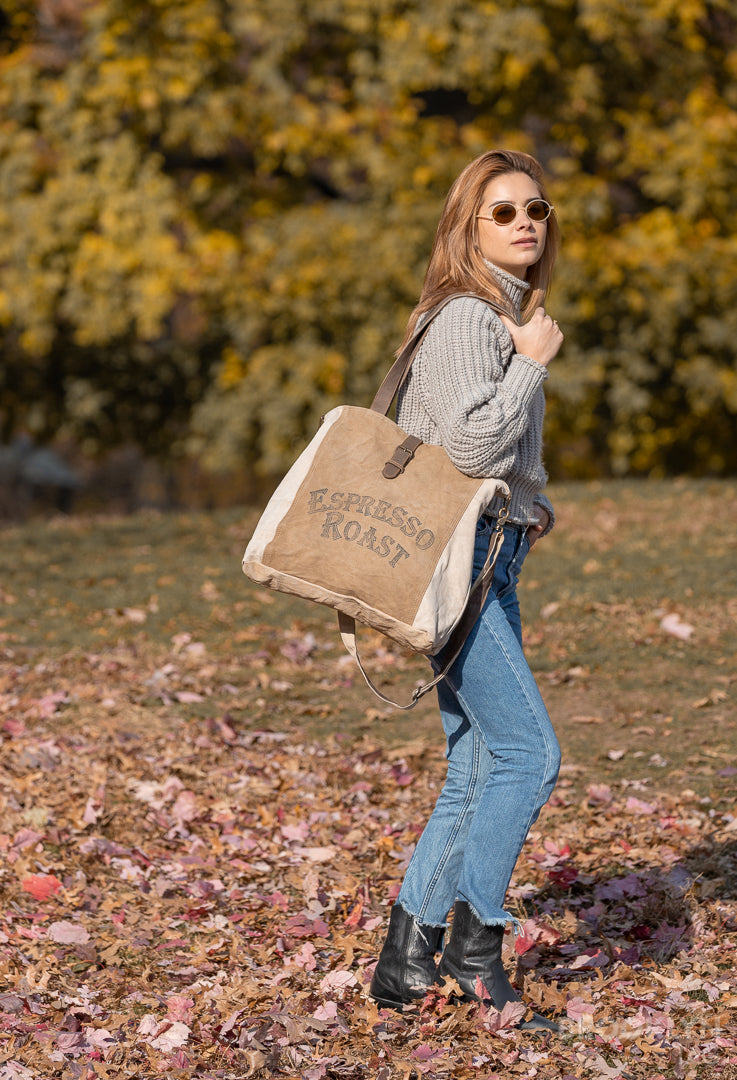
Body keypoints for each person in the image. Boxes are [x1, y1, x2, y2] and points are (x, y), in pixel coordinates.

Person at [368, 150, 563, 1031]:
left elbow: (486, 453)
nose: (525, 222)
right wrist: (529, 365)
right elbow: (472, 446)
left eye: (536, 207)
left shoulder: (501, 316)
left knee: (478, 759)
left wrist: (529, 506)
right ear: (465, 228)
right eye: (502, 212)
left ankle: (406, 961)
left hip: (491, 550)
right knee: (529, 755)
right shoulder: (466, 320)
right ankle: (475, 945)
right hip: (462, 561)